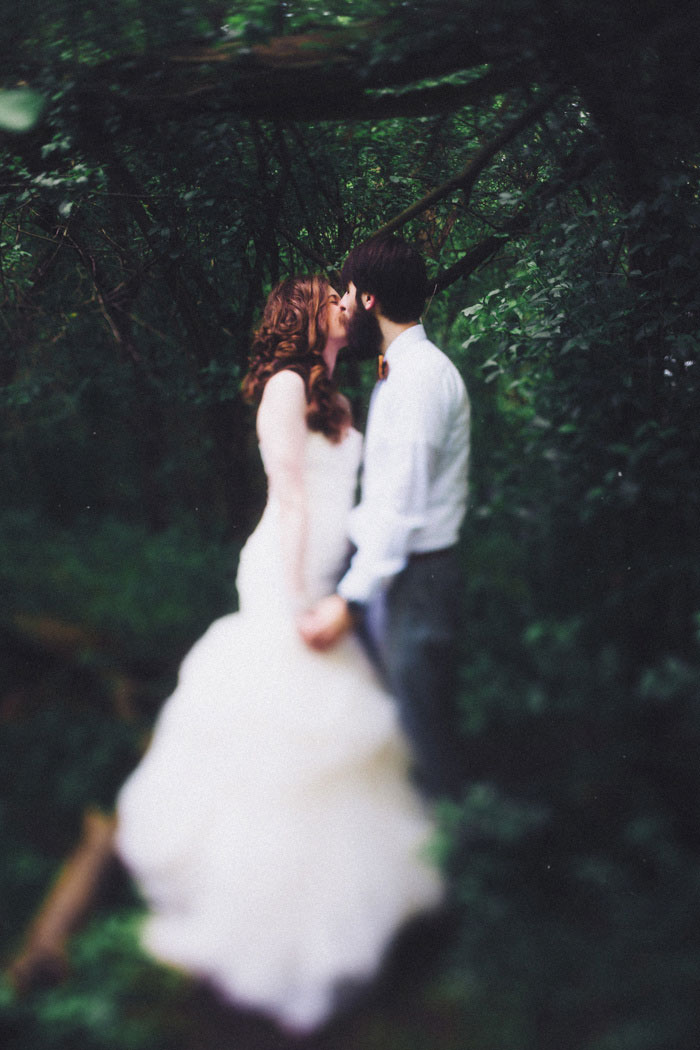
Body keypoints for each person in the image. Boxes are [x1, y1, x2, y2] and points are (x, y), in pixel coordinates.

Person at [113, 275, 444, 1036]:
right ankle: (256, 911)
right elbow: (291, 497)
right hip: (283, 574)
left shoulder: (342, 397)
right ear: (302, 314)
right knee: (282, 725)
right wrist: (298, 599)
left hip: (327, 575)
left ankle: (334, 905)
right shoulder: (283, 389)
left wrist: (349, 588)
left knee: (333, 733)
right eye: (331, 294)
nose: (342, 303)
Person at [300, 235, 471, 801]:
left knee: (422, 737)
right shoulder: (402, 370)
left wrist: (350, 601)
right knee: (401, 726)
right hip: (398, 575)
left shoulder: (419, 379)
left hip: (417, 579)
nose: (344, 306)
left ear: (368, 298)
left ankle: (461, 865)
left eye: (347, 294)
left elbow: (401, 505)